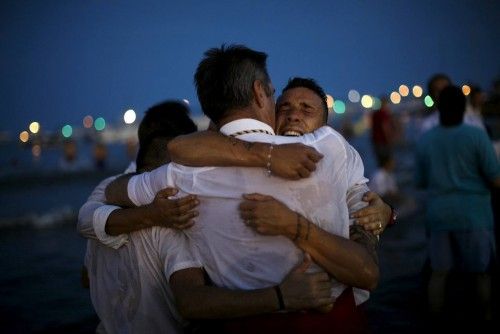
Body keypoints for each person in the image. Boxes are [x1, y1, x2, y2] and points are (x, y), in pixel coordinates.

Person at [105, 45, 379, 333]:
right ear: (260, 92)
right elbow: (365, 220)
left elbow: (114, 191)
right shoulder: (326, 146)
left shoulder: (180, 175)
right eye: (274, 95)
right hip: (333, 322)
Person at [78, 100, 337, 333]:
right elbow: (193, 302)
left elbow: (86, 274)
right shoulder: (177, 215)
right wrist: (282, 296)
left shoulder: (107, 191)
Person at [415, 85, 500, 323]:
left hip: (439, 215)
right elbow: (495, 176)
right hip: (475, 215)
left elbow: (420, 181)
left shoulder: (426, 140)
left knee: (439, 274)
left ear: (439, 108)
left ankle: (435, 322)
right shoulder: (477, 135)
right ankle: (485, 316)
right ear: (464, 108)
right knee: (481, 274)